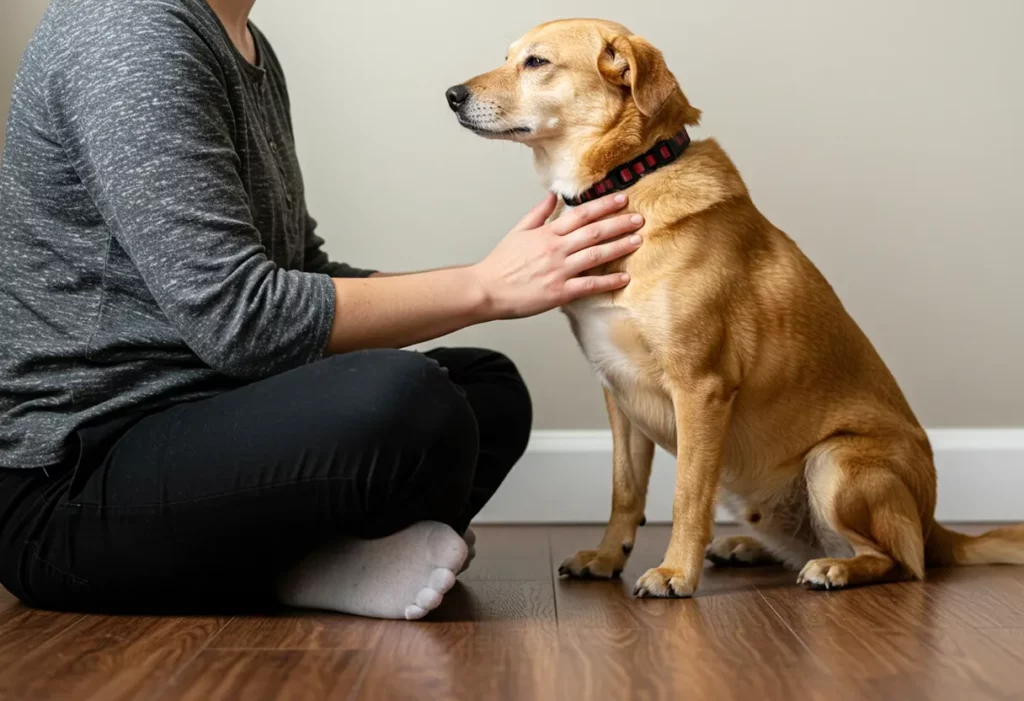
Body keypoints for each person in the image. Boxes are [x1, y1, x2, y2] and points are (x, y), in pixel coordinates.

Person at [0, 0, 644, 619]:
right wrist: (483, 288)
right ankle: (296, 568)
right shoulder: (132, 32)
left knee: (488, 389)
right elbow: (242, 320)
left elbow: (295, 270)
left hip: (208, 412)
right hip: (75, 479)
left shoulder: (243, 44)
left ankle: (314, 560)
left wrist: (503, 285)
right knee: (406, 399)